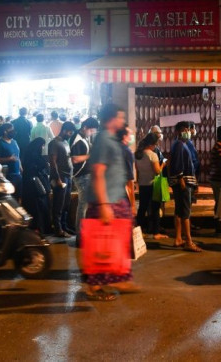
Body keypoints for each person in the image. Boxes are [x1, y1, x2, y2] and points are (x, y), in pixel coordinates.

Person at [82, 103, 136, 298]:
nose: (122, 121)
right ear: (111, 119)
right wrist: (104, 205)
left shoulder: (111, 139)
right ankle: (96, 285)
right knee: (102, 245)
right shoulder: (104, 139)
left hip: (114, 198)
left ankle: (118, 278)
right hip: (106, 201)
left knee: (116, 241)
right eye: (120, 118)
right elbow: (97, 172)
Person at [169, 121, 201, 252]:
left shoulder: (182, 144)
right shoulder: (179, 145)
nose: (187, 132)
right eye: (184, 130)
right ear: (177, 132)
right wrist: (181, 179)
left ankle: (178, 238)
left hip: (184, 181)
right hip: (184, 182)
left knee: (179, 210)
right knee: (186, 212)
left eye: (188, 129)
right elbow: (178, 164)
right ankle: (189, 241)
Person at [134, 133, 167, 239]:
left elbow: (137, 170)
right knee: (155, 208)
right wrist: (164, 164)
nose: (156, 146)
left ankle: (140, 231)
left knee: (142, 208)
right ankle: (156, 233)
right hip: (153, 185)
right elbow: (157, 171)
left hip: (143, 184)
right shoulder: (152, 155)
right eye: (156, 144)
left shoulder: (138, 154)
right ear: (152, 144)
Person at [71, 117, 99, 236]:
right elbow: (75, 159)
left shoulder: (83, 137)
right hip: (81, 176)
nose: (91, 133)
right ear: (85, 127)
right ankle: (80, 233)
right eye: (91, 130)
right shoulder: (78, 139)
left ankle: (84, 231)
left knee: (86, 204)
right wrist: (90, 156)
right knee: (83, 205)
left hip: (86, 174)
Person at [49, 121, 76, 237]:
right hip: (60, 177)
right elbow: (52, 162)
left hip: (68, 177)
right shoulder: (54, 143)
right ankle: (58, 229)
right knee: (58, 204)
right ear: (64, 130)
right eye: (70, 132)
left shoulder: (65, 142)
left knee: (66, 203)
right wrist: (57, 178)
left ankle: (64, 226)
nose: (70, 134)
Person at [21, 138, 51, 234]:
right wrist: (44, 165)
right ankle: (39, 228)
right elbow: (34, 169)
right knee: (38, 208)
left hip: (31, 185)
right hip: (35, 186)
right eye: (42, 145)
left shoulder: (30, 154)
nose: (42, 147)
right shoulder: (34, 156)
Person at [0, 123, 23, 199]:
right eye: (11, 130)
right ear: (5, 131)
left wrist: (21, 168)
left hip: (17, 174)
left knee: (18, 196)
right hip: (7, 175)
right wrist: (8, 159)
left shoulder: (14, 142)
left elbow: (17, 156)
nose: (13, 131)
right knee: (10, 198)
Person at [115, 126, 137, 217]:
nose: (132, 136)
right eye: (130, 134)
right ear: (124, 136)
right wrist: (132, 204)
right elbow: (129, 180)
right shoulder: (127, 151)